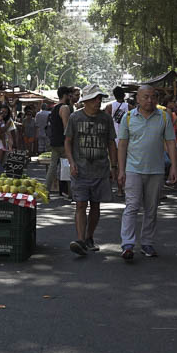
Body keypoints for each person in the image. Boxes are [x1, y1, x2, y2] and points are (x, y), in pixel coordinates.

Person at [117, 85, 177, 260]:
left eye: (152, 97)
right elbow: (122, 145)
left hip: (156, 171)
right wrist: (121, 170)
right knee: (132, 206)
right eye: (145, 97)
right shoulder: (128, 118)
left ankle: (147, 243)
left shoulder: (164, 117)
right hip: (133, 170)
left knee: (151, 209)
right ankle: (127, 244)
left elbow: (171, 143)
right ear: (137, 98)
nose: (149, 100)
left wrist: (174, 166)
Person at [64, 84, 118, 256]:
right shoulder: (75, 118)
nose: (98, 101)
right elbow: (68, 141)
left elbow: (111, 143)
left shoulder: (106, 119)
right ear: (85, 100)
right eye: (94, 98)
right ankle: (80, 240)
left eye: (99, 98)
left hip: (100, 169)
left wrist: (114, 166)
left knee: (95, 205)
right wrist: (71, 162)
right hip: (80, 170)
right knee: (80, 204)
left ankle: (89, 237)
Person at [46, 86, 73, 194]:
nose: (70, 97)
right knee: (69, 165)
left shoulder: (55, 108)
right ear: (65, 95)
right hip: (63, 142)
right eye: (69, 95)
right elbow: (67, 128)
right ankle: (71, 192)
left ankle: (46, 190)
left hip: (54, 141)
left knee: (52, 167)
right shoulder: (64, 108)